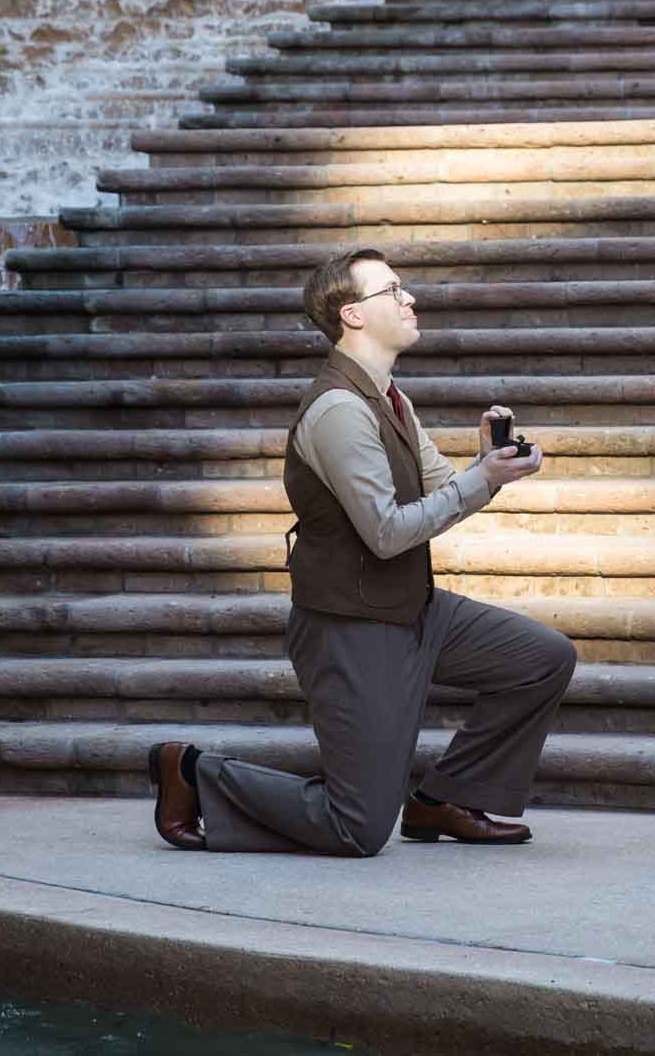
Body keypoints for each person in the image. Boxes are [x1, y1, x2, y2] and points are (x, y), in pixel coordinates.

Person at [147, 248, 576, 855]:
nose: (410, 300)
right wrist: (481, 480)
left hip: (411, 608)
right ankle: (193, 773)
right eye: (393, 291)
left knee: (543, 657)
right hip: (350, 626)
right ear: (352, 314)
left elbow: (437, 485)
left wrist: (487, 465)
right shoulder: (339, 410)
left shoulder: (388, 395)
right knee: (359, 826)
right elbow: (387, 532)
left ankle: (443, 800)